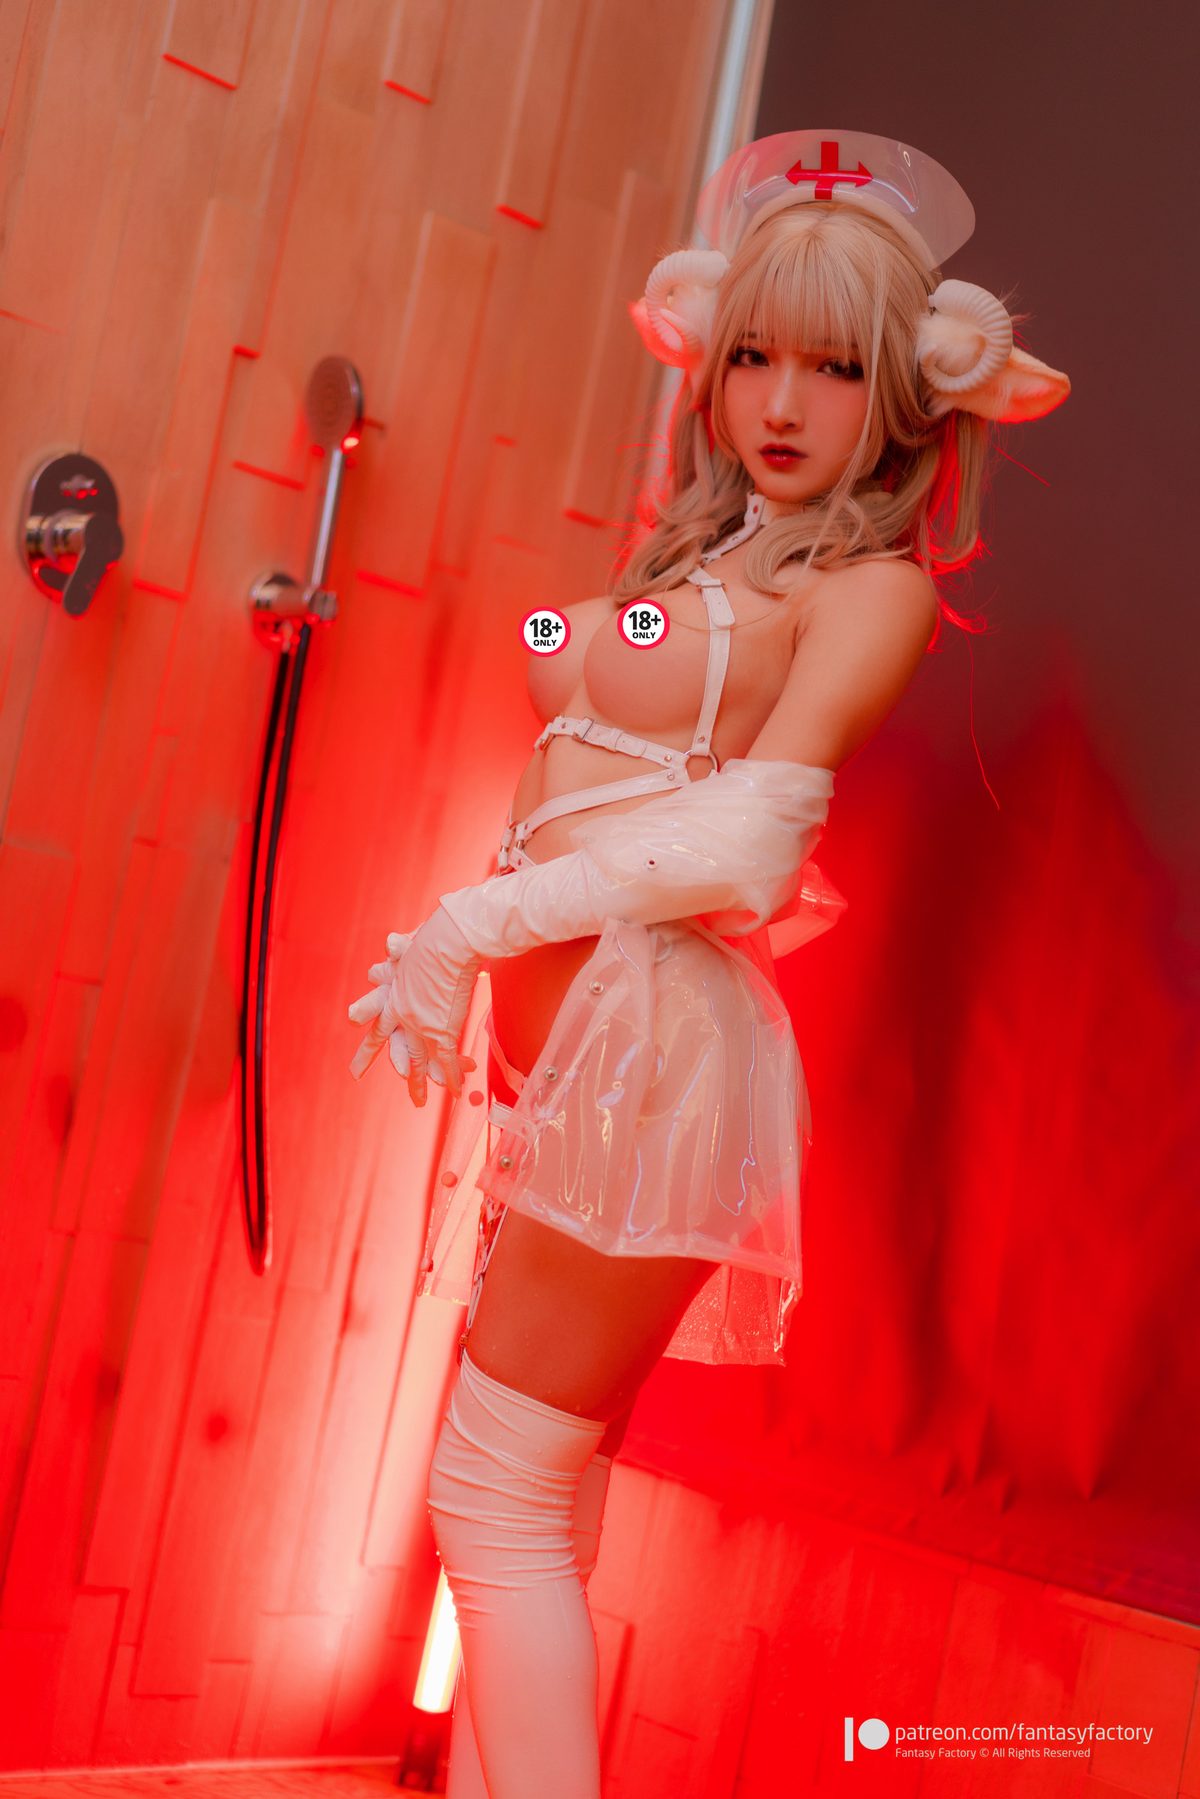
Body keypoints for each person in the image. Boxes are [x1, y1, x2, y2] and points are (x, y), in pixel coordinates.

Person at [347, 128, 1070, 1798]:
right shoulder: (703, 559)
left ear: (905, 393)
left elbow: (749, 849)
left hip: (650, 1050)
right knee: (542, 1499)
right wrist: (566, 623)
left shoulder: (873, 589)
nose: (783, 404)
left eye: (835, 367)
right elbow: (567, 668)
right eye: (752, 356)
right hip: (576, 1054)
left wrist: (468, 926)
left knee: (492, 1498)